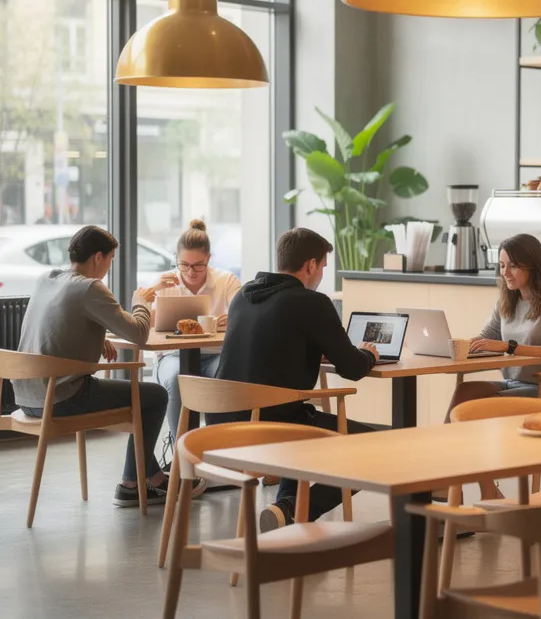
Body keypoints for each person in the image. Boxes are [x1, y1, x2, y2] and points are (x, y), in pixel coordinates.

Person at [211, 228, 384, 531]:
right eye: (323, 267)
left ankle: (284, 512)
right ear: (310, 265)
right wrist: (369, 354)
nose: (321, 276)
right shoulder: (311, 303)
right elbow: (353, 368)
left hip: (224, 427)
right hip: (274, 428)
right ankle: (298, 509)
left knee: (296, 414)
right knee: (373, 447)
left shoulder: (242, 296)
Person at [14, 226, 199, 506]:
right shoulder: (89, 287)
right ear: (98, 257)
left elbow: (54, 325)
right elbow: (138, 333)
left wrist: (96, 338)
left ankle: (155, 477)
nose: (109, 267)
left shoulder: (47, 278)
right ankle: (130, 483)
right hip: (62, 397)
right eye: (111, 259)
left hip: (27, 395)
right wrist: (141, 302)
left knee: (142, 397)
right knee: (155, 396)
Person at [450, 234, 541, 410]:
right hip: (514, 383)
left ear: (534, 266)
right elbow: (484, 340)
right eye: (502, 266)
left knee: (483, 405)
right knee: (464, 392)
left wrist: (507, 347)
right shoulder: (508, 301)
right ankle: (448, 439)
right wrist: (457, 346)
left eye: (513, 266)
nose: (505, 273)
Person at [144, 219, 242, 447]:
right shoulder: (164, 282)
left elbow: (244, 316)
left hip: (215, 355)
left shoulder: (226, 281)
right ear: (176, 260)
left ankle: (219, 450)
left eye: (198, 265)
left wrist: (233, 319)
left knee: (226, 375)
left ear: (208, 259)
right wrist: (153, 291)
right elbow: (140, 324)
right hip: (172, 356)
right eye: (184, 264)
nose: (190, 272)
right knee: (178, 379)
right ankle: (183, 452)